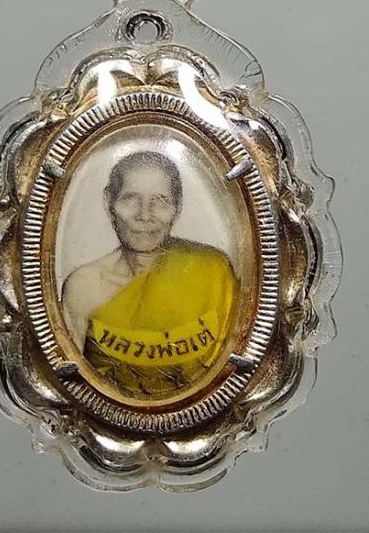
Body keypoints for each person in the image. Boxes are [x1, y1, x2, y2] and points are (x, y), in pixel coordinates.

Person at [61, 151, 238, 398]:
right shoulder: (84, 287)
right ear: (109, 202)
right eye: (131, 199)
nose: (145, 215)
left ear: (177, 207)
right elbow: (68, 388)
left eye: (160, 201)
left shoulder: (214, 270)